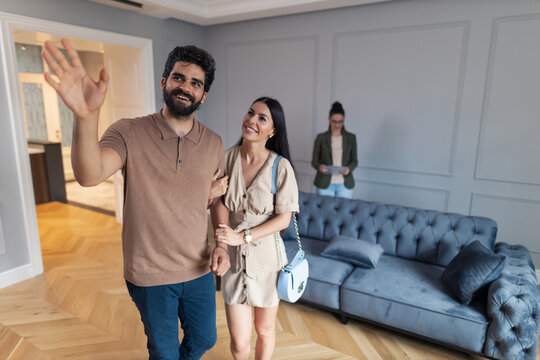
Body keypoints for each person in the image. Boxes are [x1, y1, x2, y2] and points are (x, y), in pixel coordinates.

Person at [41, 38, 230, 360]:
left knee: (204, 340)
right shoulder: (129, 131)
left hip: (198, 268)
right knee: (164, 353)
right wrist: (86, 117)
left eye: (195, 83)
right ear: (164, 82)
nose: (186, 87)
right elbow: (89, 175)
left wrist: (223, 245)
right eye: (178, 78)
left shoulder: (213, 142)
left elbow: (216, 199)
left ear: (204, 95)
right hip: (150, 273)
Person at [211, 97, 299, 360]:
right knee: (239, 342)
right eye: (251, 113)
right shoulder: (227, 159)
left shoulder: (280, 167)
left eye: (262, 118)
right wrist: (223, 245)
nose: (252, 120)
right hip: (233, 264)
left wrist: (243, 236)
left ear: (273, 131)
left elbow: (284, 220)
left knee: (264, 330)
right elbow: (218, 203)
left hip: (267, 263)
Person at [311, 101, 358, 199]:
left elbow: (354, 161)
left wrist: (349, 169)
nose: (337, 125)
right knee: (324, 213)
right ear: (329, 119)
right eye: (334, 121)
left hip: (345, 185)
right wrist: (319, 167)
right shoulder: (321, 137)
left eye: (340, 121)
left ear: (344, 120)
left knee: (343, 214)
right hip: (325, 184)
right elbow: (314, 161)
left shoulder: (351, 138)